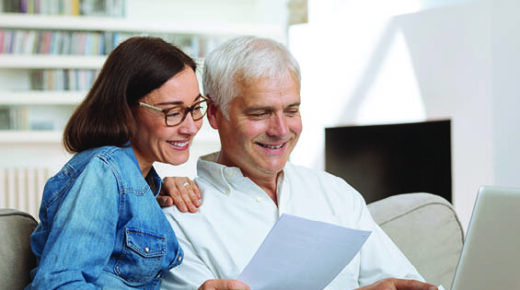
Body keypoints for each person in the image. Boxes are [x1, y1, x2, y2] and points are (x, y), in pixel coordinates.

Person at [159, 36, 439, 290]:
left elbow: (408, 283)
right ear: (215, 114)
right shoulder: (180, 220)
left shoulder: (335, 195)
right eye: (260, 113)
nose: (281, 129)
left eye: (292, 110)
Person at [27, 36, 248, 290]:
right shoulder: (103, 172)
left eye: (195, 107)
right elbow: (57, 285)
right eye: (173, 113)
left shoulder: (142, 182)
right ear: (126, 110)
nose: (191, 127)